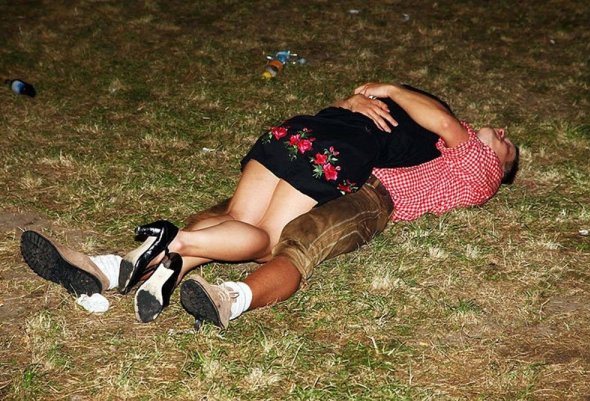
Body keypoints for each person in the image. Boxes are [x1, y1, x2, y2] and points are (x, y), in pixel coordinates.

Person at [20, 82, 518, 328]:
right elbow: (432, 120)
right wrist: (375, 94)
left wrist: (367, 94)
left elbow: (437, 121)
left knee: (240, 222)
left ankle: (118, 269)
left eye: (509, 146)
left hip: (314, 149)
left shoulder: (481, 171)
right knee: (266, 240)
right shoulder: (434, 137)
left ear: (499, 167)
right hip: (343, 167)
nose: (503, 134)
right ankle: (197, 274)